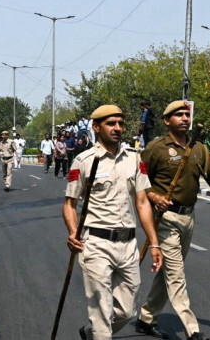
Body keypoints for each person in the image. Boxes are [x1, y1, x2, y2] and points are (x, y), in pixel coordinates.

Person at [136, 100, 210, 340]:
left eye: (186, 114)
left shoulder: (199, 148)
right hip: (164, 218)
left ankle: (146, 317)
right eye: (178, 115)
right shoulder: (156, 148)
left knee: (168, 270)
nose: (184, 118)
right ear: (167, 121)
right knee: (176, 274)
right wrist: (154, 196)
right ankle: (192, 330)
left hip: (188, 217)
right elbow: (138, 181)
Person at [64, 105, 163, 340]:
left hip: (128, 244)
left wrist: (155, 242)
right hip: (95, 244)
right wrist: (72, 232)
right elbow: (69, 204)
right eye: (111, 123)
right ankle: (99, 333)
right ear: (97, 127)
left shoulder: (134, 159)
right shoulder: (84, 160)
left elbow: (142, 203)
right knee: (101, 312)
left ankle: (90, 333)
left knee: (127, 311)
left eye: (120, 123)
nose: (117, 128)